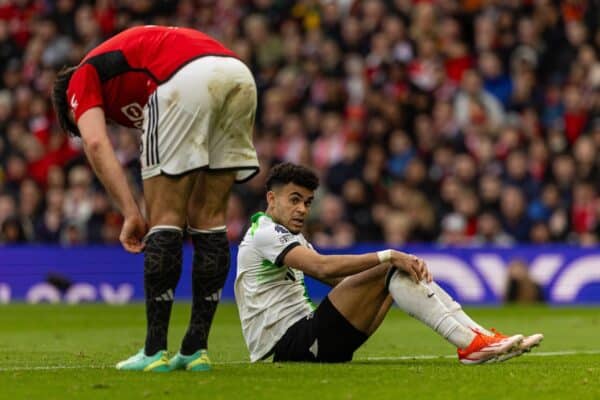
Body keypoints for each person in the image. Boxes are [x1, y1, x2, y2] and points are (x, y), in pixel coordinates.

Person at [52, 26, 259, 372]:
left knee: (164, 218)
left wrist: (130, 212)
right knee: (209, 217)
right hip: (238, 75)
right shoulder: (127, 77)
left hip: (180, 78)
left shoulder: (82, 77)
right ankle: (195, 349)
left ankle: (154, 351)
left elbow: (96, 143)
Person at [235, 163, 543, 364]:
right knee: (389, 268)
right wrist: (388, 257)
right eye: (294, 199)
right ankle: (471, 344)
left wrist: (390, 282)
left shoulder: (289, 236)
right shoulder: (263, 232)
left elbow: (340, 284)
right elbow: (322, 269)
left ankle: (481, 339)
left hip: (308, 340)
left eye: (307, 202)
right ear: (271, 199)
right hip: (285, 348)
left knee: (392, 273)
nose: (302, 209)